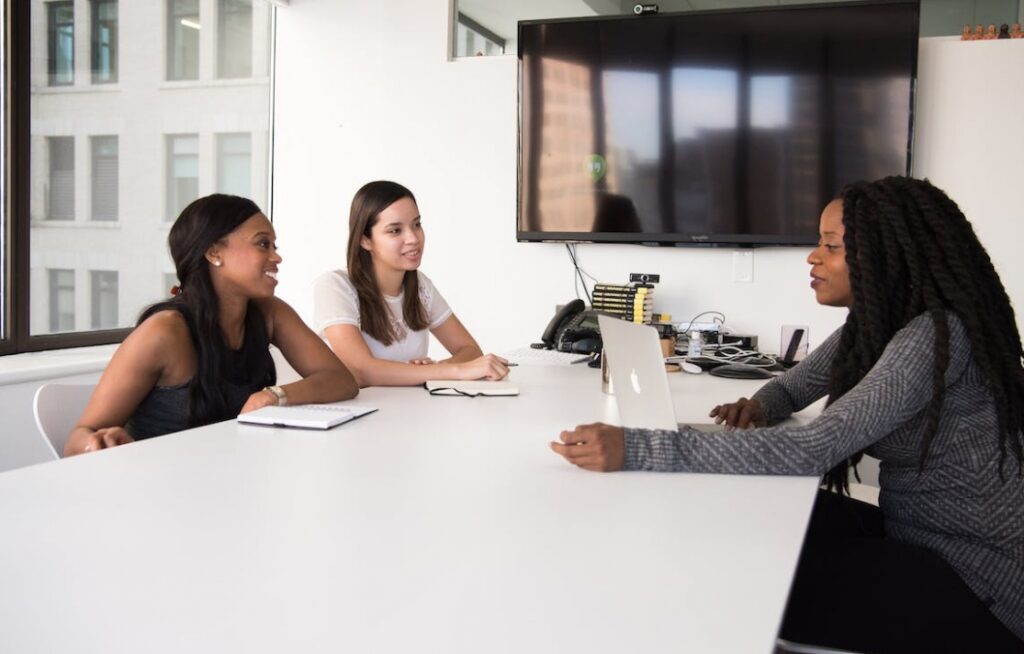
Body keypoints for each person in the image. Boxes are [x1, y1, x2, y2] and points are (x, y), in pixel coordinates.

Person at [551, 177, 1024, 652]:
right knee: (748, 515)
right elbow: (796, 385)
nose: (812, 257)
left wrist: (638, 446)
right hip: (916, 534)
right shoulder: (877, 328)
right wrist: (760, 406)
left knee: (735, 573)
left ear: (887, 256)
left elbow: (812, 448)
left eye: (831, 245)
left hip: (976, 584)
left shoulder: (934, 336)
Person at [65, 194, 358, 455]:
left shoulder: (270, 313)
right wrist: (98, 444)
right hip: (162, 491)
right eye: (262, 244)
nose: (276, 256)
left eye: (274, 245)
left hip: (229, 479)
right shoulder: (164, 332)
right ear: (214, 252)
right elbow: (76, 441)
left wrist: (273, 396)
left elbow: (341, 380)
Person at [313, 180, 508, 387]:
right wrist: (444, 371)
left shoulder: (420, 286)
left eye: (416, 224)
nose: (413, 238)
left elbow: (469, 350)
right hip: (362, 414)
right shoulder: (335, 286)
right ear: (365, 240)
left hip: (412, 411)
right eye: (395, 230)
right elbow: (362, 371)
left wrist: (430, 371)